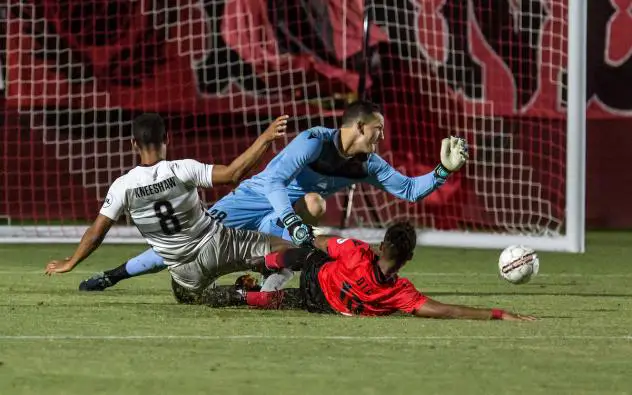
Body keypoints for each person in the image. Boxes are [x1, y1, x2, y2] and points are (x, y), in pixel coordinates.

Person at [80, 100, 469, 292]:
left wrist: (442, 172)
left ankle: (267, 286)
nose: (381, 138)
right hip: (252, 199)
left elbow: (409, 190)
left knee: (314, 206)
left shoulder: (368, 163)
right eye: (378, 131)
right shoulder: (313, 141)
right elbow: (273, 181)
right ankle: (114, 275)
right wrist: (294, 221)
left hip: (282, 215)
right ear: (359, 126)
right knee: (187, 246)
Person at [45, 113, 292, 305]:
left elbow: (96, 234)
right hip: (218, 247)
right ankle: (268, 290)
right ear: (166, 139)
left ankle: (237, 294)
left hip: (184, 272)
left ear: (133, 144)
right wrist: (265, 138)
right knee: (287, 249)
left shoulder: (122, 186)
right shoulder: (181, 169)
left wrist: (71, 261)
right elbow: (232, 174)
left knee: (184, 294)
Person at [198, 222, 536, 321]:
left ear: (383, 244)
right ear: (409, 258)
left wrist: (307, 233)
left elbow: (323, 242)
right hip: (325, 304)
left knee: (302, 253)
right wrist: (496, 313)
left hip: (319, 274)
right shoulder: (402, 293)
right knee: (286, 300)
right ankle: (242, 296)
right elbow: (445, 310)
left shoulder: (358, 252)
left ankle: (258, 263)